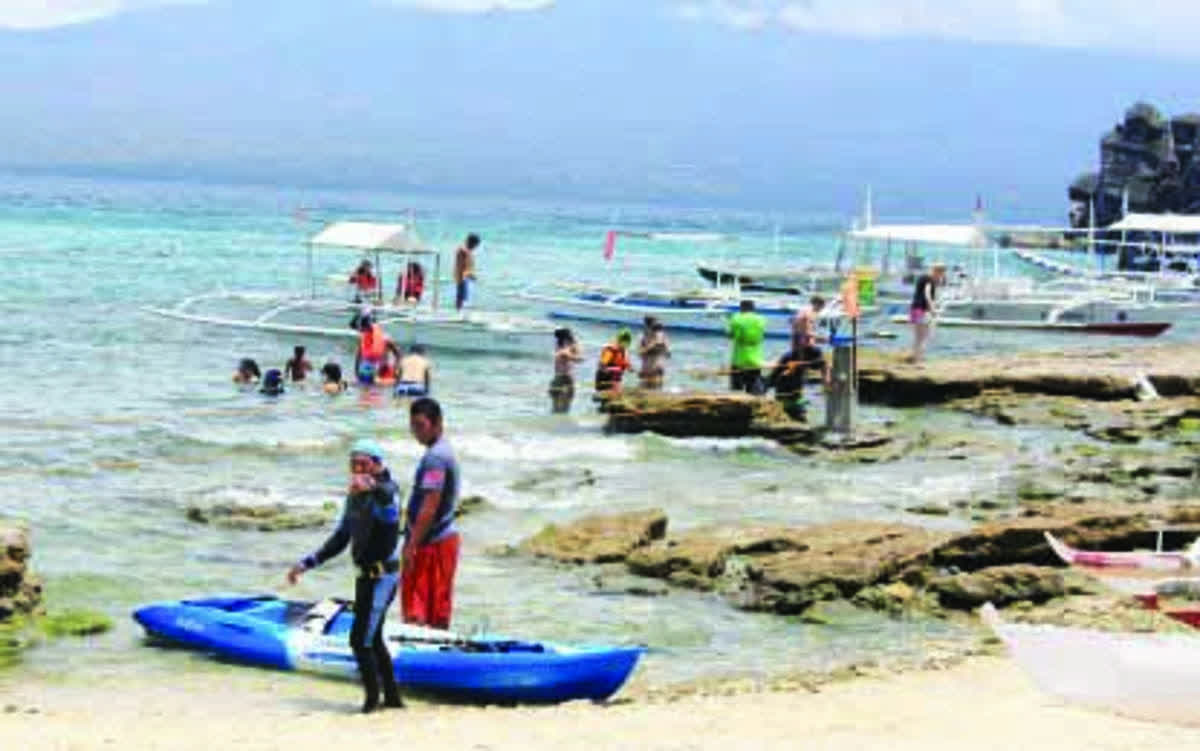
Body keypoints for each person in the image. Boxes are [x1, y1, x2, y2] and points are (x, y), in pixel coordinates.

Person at [287, 439, 403, 713]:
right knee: (372, 639)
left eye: (363, 464)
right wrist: (307, 562)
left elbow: (389, 502)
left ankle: (372, 703)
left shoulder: (388, 492)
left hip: (382, 578)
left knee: (359, 640)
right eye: (354, 464)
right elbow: (341, 537)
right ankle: (393, 699)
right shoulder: (355, 496)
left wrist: (373, 487)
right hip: (365, 577)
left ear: (378, 464)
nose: (358, 470)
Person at [401, 398, 461, 630]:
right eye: (412, 426)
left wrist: (411, 545)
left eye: (420, 425)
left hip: (431, 544)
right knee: (437, 611)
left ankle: (416, 660)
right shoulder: (443, 451)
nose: (415, 432)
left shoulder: (435, 458)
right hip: (443, 539)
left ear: (437, 424)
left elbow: (430, 504)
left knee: (417, 612)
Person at [727, 300, 767, 394]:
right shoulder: (761, 319)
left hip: (739, 359)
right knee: (753, 389)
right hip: (755, 359)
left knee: (736, 391)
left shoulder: (736, 319)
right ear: (753, 308)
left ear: (742, 308)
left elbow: (731, 335)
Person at [790, 296, 830, 389]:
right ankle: (827, 388)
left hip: (798, 346)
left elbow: (796, 331)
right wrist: (821, 338)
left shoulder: (801, 312)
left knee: (801, 369)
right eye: (822, 307)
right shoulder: (808, 314)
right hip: (806, 346)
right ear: (818, 304)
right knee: (825, 366)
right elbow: (806, 333)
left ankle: (798, 390)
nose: (821, 310)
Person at [909, 264, 946, 363]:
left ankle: (916, 357)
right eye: (941, 274)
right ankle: (919, 358)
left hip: (914, 309)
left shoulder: (922, 278)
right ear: (937, 272)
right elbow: (927, 295)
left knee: (918, 336)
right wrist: (933, 309)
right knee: (924, 335)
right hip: (920, 310)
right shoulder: (929, 280)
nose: (941, 277)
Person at [767, 349, 813, 421]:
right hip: (784, 401)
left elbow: (771, 381)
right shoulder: (784, 368)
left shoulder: (801, 372)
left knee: (801, 415)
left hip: (796, 402)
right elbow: (772, 379)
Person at [354, 315, 401, 385]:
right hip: (368, 370)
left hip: (384, 370)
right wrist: (357, 373)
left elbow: (398, 354)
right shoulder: (363, 339)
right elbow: (358, 357)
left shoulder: (385, 338)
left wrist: (396, 368)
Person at [549, 328, 583, 413]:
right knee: (560, 405)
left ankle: (558, 423)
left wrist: (570, 355)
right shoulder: (561, 346)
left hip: (563, 377)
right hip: (562, 377)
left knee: (561, 406)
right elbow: (578, 359)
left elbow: (579, 358)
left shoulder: (568, 345)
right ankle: (558, 423)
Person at [593, 328, 633, 394]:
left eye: (626, 344)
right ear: (618, 341)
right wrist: (613, 370)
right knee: (608, 395)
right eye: (622, 343)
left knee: (616, 395)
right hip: (605, 377)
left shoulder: (624, 351)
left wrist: (630, 368)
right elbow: (602, 365)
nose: (624, 346)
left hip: (615, 378)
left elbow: (626, 364)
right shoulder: (610, 350)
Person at [637, 316, 671, 390]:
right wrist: (652, 345)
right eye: (653, 327)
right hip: (648, 370)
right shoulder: (643, 337)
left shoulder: (662, 336)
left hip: (657, 369)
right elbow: (640, 353)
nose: (655, 330)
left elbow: (668, 354)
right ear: (647, 326)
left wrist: (664, 346)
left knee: (658, 391)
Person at [453, 234, 480, 311]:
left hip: (465, 276)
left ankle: (460, 311)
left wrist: (471, 274)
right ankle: (458, 312)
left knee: (464, 296)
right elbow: (461, 265)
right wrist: (466, 274)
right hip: (462, 276)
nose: (475, 247)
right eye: (475, 245)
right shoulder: (463, 251)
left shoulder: (467, 251)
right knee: (461, 296)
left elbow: (468, 265)